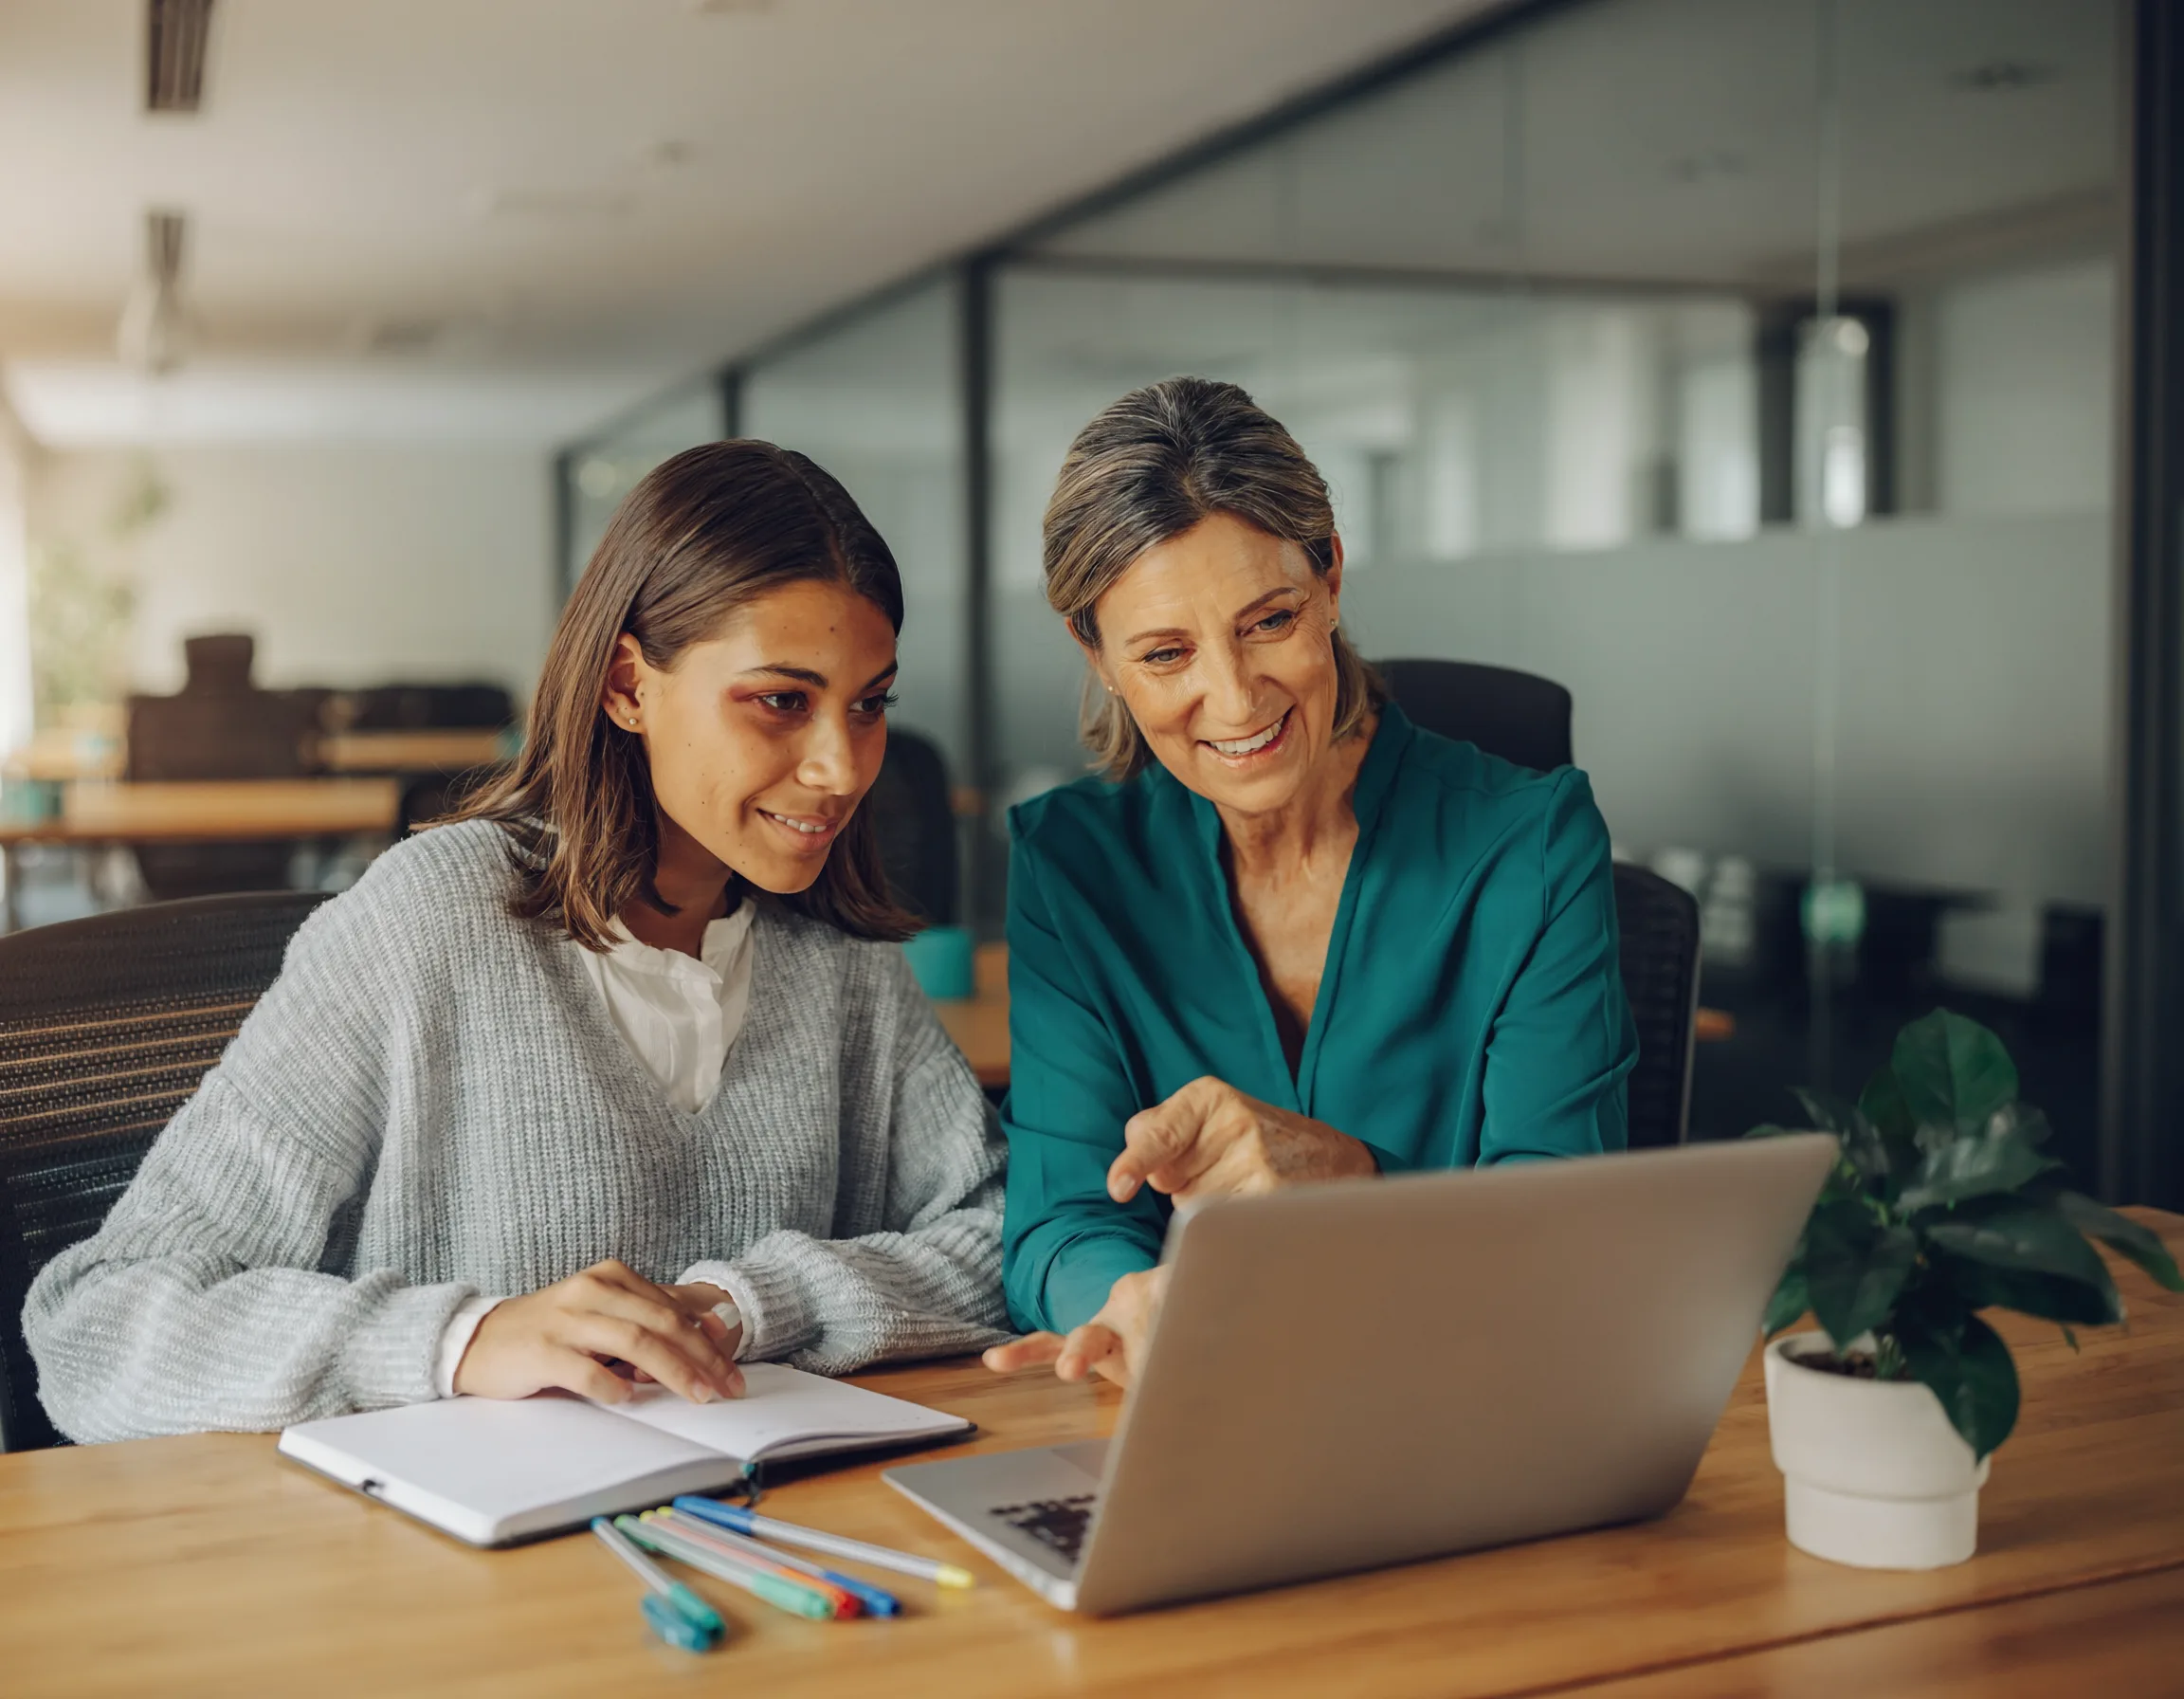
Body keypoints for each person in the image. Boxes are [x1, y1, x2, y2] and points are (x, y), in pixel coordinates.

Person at [27, 441, 1009, 1443]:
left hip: (752, 1546)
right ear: (627, 684)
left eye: (870, 704)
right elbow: (94, 1329)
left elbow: (1007, 1236)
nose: (843, 768)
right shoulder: (431, 918)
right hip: (458, 1573)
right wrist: (460, 1339)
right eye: (781, 701)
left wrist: (748, 1306)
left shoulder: (836, 955)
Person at [983, 377, 1636, 1392]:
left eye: (1269, 620)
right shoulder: (1072, 865)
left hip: (1469, 1400)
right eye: (1165, 653)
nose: (1236, 696)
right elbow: (1058, 1223)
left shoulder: (1531, 844)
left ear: (1329, 576)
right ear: (1098, 655)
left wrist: (1350, 1178)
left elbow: (1564, 1242)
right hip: (1198, 1415)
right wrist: (1137, 1302)